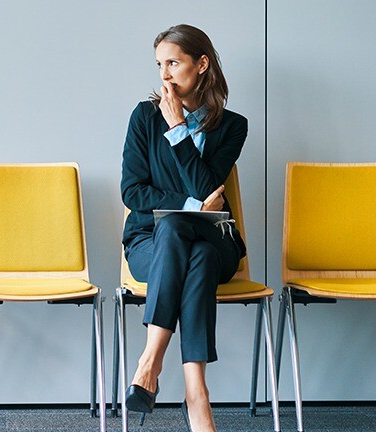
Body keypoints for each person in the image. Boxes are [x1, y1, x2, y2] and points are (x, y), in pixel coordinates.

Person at [121, 24, 248, 432]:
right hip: (150, 245)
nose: (164, 75)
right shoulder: (143, 117)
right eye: (159, 64)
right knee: (188, 242)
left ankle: (149, 362)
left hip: (217, 240)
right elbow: (133, 192)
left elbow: (205, 184)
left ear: (202, 64)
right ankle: (197, 395)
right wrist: (193, 206)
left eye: (173, 62)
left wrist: (178, 131)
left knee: (195, 240)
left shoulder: (232, 126)